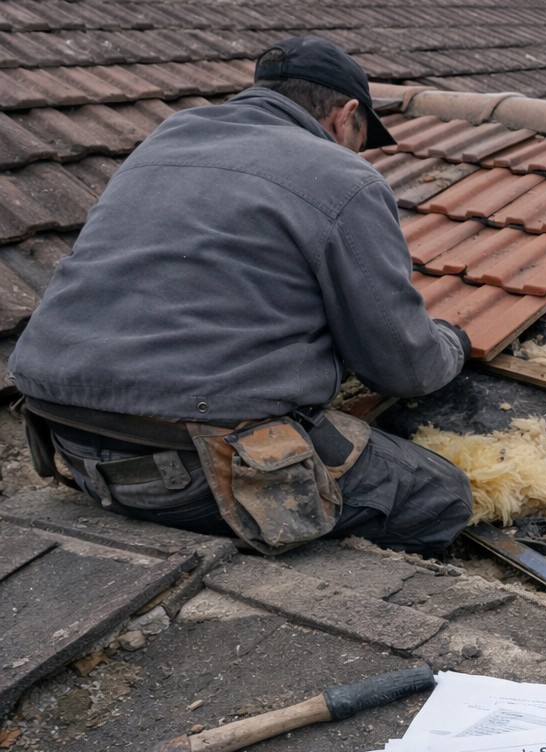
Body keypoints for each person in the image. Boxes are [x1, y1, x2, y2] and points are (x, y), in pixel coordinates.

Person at [9, 37, 473, 555]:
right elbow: (402, 367)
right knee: (439, 497)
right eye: (362, 137)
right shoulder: (341, 174)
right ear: (347, 116)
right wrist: (453, 343)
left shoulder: (167, 138)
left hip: (64, 440)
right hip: (188, 465)